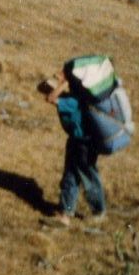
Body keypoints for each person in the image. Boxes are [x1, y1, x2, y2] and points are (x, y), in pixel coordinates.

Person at [39, 71, 107, 224]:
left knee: (87, 177)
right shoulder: (74, 98)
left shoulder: (72, 101)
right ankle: (66, 212)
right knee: (71, 176)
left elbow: (50, 98)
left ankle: (98, 211)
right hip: (78, 141)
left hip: (84, 143)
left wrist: (64, 83)